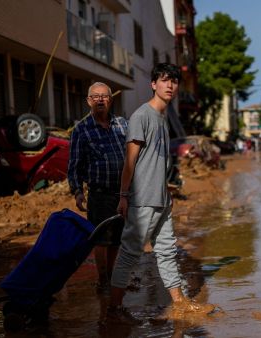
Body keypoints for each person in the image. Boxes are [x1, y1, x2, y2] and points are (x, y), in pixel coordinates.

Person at [106, 63, 215, 325]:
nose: (170, 85)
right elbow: (130, 161)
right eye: (164, 80)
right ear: (153, 84)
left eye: (174, 81)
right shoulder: (142, 116)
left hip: (161, 198)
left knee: (167, 251)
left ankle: (179, 302)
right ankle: (113, 310)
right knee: (130, 252)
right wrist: (123, 195)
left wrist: (167, 189)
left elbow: (154, 162)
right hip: (143, 199)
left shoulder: (162, 118)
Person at [67, 82, 127, 293]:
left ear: (110, 100)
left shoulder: (122, 125)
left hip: (122, 194)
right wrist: (77, 192)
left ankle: (111, 275)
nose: (100, 100)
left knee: (117, 238)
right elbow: (74, 165)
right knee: (101, 239)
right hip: (99, 194)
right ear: (89, 101)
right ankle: (103, 280)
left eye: (104, 96)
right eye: (96, 97)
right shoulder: (81, 130)